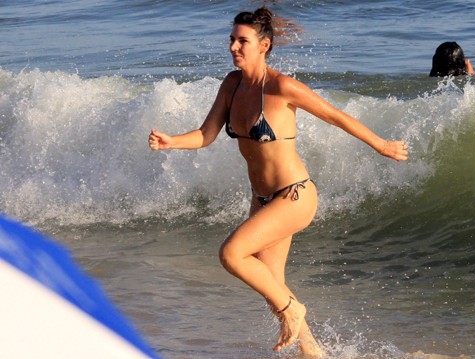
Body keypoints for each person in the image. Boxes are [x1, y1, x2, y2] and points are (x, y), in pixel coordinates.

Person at [148, 6, 408, 355]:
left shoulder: (281, 87)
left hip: (295, 196)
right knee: (274, 288)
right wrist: (172, 142)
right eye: (232, 40)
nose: (233, 48)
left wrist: (382, 145)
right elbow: (206, 134)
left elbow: (335, 116)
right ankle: (313, 351)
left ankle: (294, 311)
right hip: (263, 199)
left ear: (264, 45)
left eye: (242, 41)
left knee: (232, 254)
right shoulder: (231, 85)